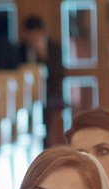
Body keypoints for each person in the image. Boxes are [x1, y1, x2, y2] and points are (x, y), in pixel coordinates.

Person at [17, 15, 65, 147]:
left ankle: (49, 144)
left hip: (50, 95)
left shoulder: (54, 48)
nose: (33, 38)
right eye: (30, 34)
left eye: (36, 34)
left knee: (49, 108)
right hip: (26, 95)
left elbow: (58, 75)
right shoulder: (20, 49)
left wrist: (43, 54)